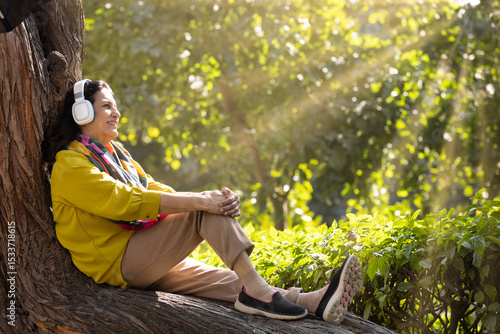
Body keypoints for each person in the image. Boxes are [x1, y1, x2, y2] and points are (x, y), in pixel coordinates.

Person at [44, 79, 362, 325]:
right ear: (82, 112)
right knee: (200, 211)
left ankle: (312, 302)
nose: (117, 113)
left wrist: (213, 199)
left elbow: (152, 187)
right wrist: (201, 202)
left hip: (138, 249)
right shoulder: (70, 164)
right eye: (107, 106)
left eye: (115, 107)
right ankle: (259, 295)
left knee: (222, 279)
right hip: (116, 260)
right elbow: (122, 201)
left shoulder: (117, 155)